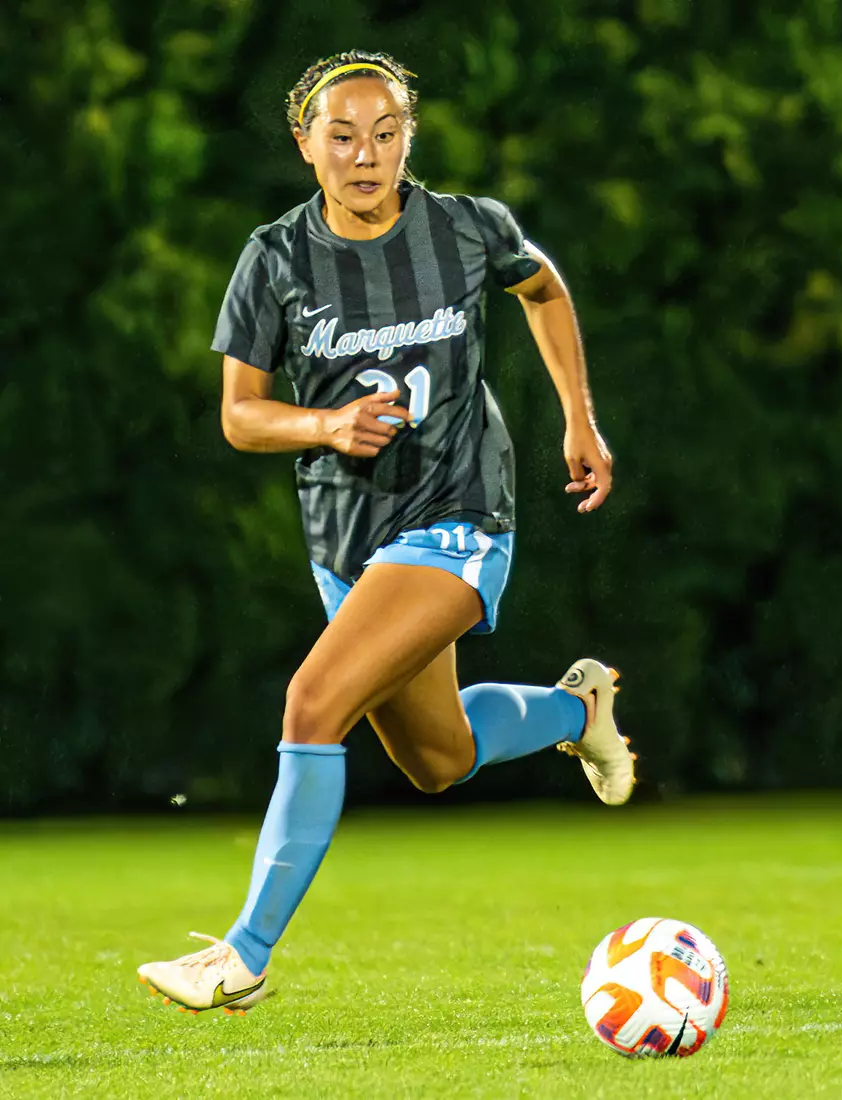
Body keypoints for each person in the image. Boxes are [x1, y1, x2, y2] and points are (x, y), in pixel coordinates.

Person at [137, 49, 635, 1015]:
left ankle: (240, 956)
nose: (366, 154)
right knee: (438, 759)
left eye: (387, 132)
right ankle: (584, 711)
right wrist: (324, 424)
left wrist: (579, 415)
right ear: (304, 144)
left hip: (458, 516)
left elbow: (543, 289)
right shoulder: (274, 257)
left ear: (410, 138)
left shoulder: (465, 229)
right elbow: (241, 415)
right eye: (343, 135)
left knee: (311, 703)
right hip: (345, 537)